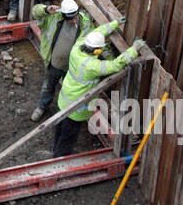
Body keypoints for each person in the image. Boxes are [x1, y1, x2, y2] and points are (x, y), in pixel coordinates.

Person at [54, 19, 146, 157]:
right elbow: (116, 64)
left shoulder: (77, 48)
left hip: (64, 98)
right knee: (68, 136)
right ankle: (59, 160)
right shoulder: (92, 66)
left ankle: (56, 150)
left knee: (60, 128)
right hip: (76, 108)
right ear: (97, 50)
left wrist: (114, 24)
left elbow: (96, 32)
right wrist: (134, 49)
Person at [29, 0, 91, 122]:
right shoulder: (53, 17)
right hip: (55, 63)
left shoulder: (85, 23)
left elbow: (96, 38)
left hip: (71, 66)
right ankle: (42, 106)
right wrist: (45, 10)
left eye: (75, 17)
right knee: (48, 86)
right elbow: (35, 12)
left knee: (69, 90)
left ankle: (66, 111)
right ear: (63, 15)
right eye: (70, 19)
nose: (74, 20)